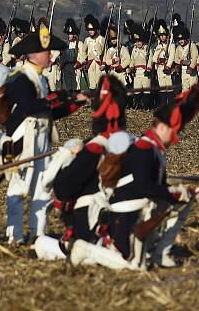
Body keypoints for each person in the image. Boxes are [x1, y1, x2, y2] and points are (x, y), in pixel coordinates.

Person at [0, 20, 88, 244]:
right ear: (34, 54)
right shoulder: (19, 77)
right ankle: (15, 237)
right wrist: (58, 99)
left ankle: (38, 235)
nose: (50, 55)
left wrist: (75, 102)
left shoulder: (41, 78)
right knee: (18, 189)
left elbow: (48, 112)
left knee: (41, 190)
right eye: (46, 51)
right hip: (22, 141)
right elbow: (31, 106)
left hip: (41, 140)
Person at [100, 85, 199, 270]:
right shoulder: (144, 148)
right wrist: (174, 193)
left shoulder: (154, 150)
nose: (175, 138)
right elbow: (143, 186)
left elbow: (158, 185)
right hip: (125, 212)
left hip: (138, 207)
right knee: (131, 265)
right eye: (174, 131)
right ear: (162, 127)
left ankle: (160, 253)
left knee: (183, 201)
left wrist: (187, 191)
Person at [33, 76, 132, 266]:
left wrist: (66, 156)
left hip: (94, 228)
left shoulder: (96, 147)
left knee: (41, 244)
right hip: (126, 228)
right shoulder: (133, 143)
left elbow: (63, 189)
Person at [149, 19, 176, 106]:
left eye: (164, 35)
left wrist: (168, 66)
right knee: (162, 88)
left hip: (167, 69)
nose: (162, 37)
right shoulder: (159, 46)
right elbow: (153, 58)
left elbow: (171, 57)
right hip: (160, 68)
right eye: (161, 36)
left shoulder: (171, 45)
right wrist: (159, 60)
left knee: (169, 88)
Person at [60, 18, 85, 91]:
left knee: (76, 87)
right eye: (68, 34)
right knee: (68, 87)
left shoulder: (79, 44)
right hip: (67, 68)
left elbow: (83, 56)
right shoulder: (66, 44)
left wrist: (78, 63)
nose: (69, 36)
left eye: (70, 34)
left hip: (76, 69)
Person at [83, 15, 105, 90]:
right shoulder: (87, 40)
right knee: (92, 85)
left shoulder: (101, 39)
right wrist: (85, 59)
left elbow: (104, 53)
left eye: (92, 29)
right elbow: (83, 51)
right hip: (90, 64)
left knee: (100, 85)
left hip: (99, 64)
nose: (91, 31)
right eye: (89, 29)